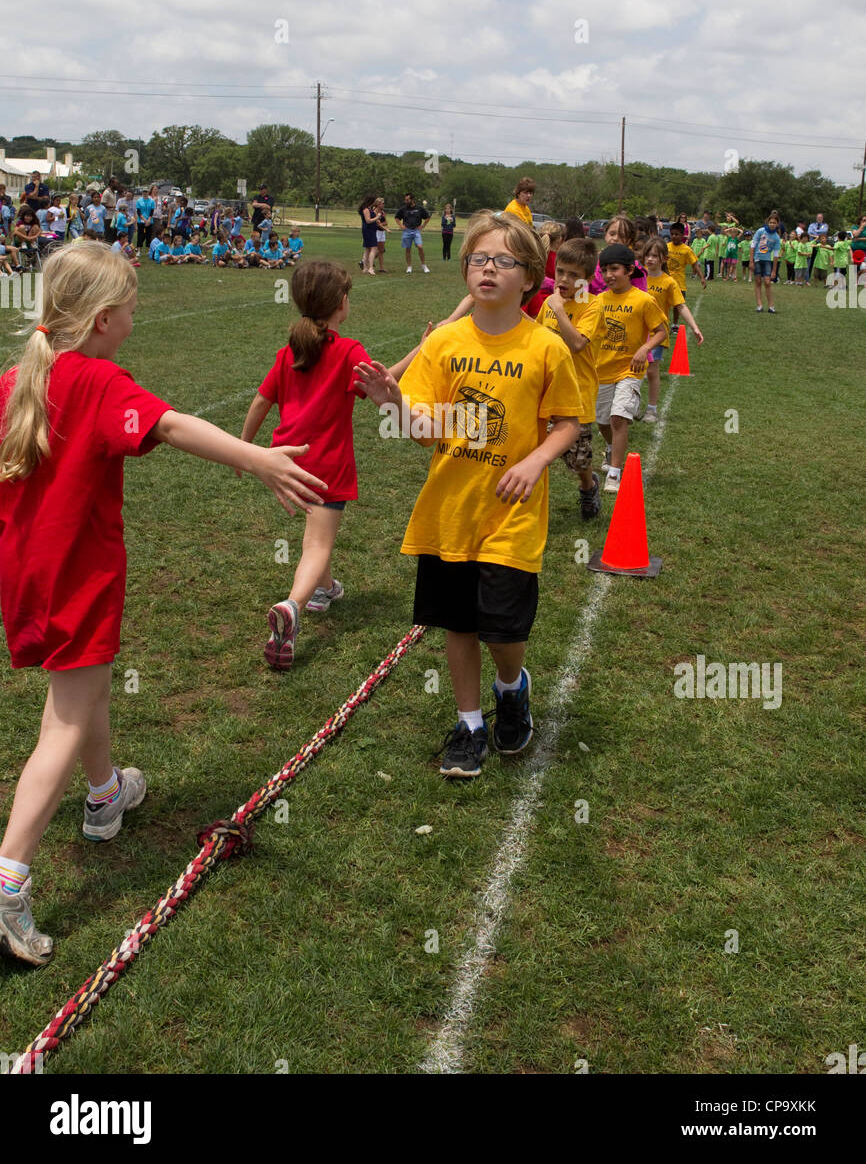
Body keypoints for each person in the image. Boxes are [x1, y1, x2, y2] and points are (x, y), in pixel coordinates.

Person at [0, 243, 327, 965]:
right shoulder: (97, 379)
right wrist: (261, 458)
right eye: (132, 314)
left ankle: (105, 795)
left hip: (26, 576)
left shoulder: (20, 377)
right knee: (62, 721)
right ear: (105, 318)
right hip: (77, 578)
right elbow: (172, 425)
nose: (135, 326)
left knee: (86, 690)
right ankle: (10, 879)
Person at [355, 210, 581, 779]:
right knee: (459, 625)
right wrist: (394, 403)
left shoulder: (545, 347)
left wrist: (534, 461)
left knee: (503, 630)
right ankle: (470, 723)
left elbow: (567, 423)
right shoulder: (445, 343)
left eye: (504, 261)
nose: (488, 269)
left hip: (512, 514)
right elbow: (426, 427)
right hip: (449, 512)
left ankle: (512, 686)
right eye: (479, 258)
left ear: (530, 276)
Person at [239, 261, 424, 670]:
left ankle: (325, 589)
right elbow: (384, 379)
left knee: (315, 536)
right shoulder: (347, 349)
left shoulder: (290, 350)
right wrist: (420, 349)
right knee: (317, 543)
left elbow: (260, 400)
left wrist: (243, 448)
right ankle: (293, 605)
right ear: (341, 304)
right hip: (326, 465)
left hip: (286, 461)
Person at [594, 223, 667, 494]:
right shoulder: (599, 301)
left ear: (629, 270)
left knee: (617, 418)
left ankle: (614, 472)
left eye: (614, 269)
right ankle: (612, 447)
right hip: (602, 370)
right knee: (602, 422)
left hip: (630, 370)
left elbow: (660, 331)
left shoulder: (643, 300)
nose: (609, 275)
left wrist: (643, 349)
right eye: (605, 270)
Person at [534, 239, 604, 519]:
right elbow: (535, 337)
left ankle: (589, 487)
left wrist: (560, 309)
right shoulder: (549, 302)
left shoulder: (593, 306)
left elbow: (576, 344)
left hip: (577, 393)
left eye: (573, 275)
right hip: (544, 390)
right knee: (532, 447)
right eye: (560, 271)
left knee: (578, 459)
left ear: (586, 279)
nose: (563, 279)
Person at [642, 238, 704, 423]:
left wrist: (694, 327)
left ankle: (651, 410)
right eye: (648, 255)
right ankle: (630, 407)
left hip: (656, 334)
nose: (650, 259)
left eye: (655, 255)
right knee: (632, 373)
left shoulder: (669, 282)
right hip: (635, 333)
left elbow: (681, 306)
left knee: (652, 372)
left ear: (664, 258)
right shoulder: (637, 277)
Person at [750, 215, 782, 311]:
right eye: (770, 222)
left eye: (774, 223)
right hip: (757, 259)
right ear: (768, 223)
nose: (772, 224)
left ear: (777, 224)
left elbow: (776, 255)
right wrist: (751, 261)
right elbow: (753, 245)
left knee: (767, 282)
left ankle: (771, 306)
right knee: (758, 281)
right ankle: (759, 305)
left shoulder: (776, 238)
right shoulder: (760, 231)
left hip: (767, 260)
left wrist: (774, 271)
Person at [667, 222, 705, 300]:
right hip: (666, 281)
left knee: (678, 305)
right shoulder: (666, 247)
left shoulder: (687, 249)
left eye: (676, 234)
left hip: (679, 282)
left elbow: (694, 264)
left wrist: (702, 278)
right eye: (672, 234)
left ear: (682, 235)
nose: (674, 236)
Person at [394, 192, 431, 274]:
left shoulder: (419, 208)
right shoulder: (403, 209)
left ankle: (424, 265)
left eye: (407, 200)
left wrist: (423, 226)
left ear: (412, 200)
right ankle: (409, 267)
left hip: (416, 231)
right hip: (406, 231)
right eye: (405, 200)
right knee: (408, 249)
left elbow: (427, 217)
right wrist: (401, 225)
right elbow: (396, 217)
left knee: (420, 247)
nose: (406, 201)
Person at [358, 194, 380, 276]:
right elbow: (368, 221)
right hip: (368, 230)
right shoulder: (366, 209)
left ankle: (365, 268)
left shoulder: (370, 209)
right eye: (374, 201)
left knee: (367, 249)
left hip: (371, 230)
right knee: (374, 248)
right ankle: (371, 268)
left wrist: (376, 219)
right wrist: (377, 217)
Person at [135, 189, 155, 253]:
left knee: (148, 235)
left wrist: (148, 220)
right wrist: (144, 220)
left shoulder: (152, 201)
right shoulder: (139, 201)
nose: (145, 193)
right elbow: (138, 212)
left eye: (146, 192)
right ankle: (138, 250)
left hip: (149, 221)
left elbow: (152, 211)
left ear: (148, 192)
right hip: (141, 220)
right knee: (140, 235)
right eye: (144, 192)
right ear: (142, 192)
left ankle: (148, 250)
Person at [374, 198, 388, 272]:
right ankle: (365, 262)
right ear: (378, 204)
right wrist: (380, 225)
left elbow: (386, 222)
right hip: (376, 232)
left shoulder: (383, 212)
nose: (383, 205)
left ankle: (381, 268)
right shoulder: (375, 212)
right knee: (375, 250)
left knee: (381, 250)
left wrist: (380, 224)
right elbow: (376, 224)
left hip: (382, 232)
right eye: (382, 203)